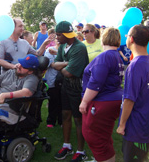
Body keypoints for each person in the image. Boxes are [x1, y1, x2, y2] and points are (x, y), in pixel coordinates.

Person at [79, 27, 124, 162]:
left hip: (102, 100)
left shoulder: (105, 56)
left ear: (104, 38)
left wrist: (84, 101)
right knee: (103, 136)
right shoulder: (117, 55)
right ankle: (102, 158)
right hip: (112, 98)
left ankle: (105, 159)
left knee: (94, 135)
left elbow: (96, 82)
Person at [117, 25, 149, 162]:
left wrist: (122, 124)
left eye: (127, 35)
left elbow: (129, 99)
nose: (126, 38)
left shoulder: (135, 65)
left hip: (135, 127)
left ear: (131, 39)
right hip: (144, 123)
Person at [52, 21, 89, 162]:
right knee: (65, 114)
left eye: (59, 35)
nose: (56, 37)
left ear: (66, 35)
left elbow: (68, 73)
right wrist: (68, 64)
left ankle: (81, 151)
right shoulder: (63, 46)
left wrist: (63, 66)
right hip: (65, 87)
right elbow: (54, 64)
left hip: (77, 87)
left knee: (78, 119)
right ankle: (67, 146)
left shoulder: (79, 48)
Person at [44, 39, 62, 128]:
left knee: (62, 101)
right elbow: (52, 65)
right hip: (52, 80)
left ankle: (61, 121)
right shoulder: (49, 50)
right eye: (57, 38)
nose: (59, 41)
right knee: (53, 101)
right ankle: (51, 120)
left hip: (63, 80)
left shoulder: (66, 50)